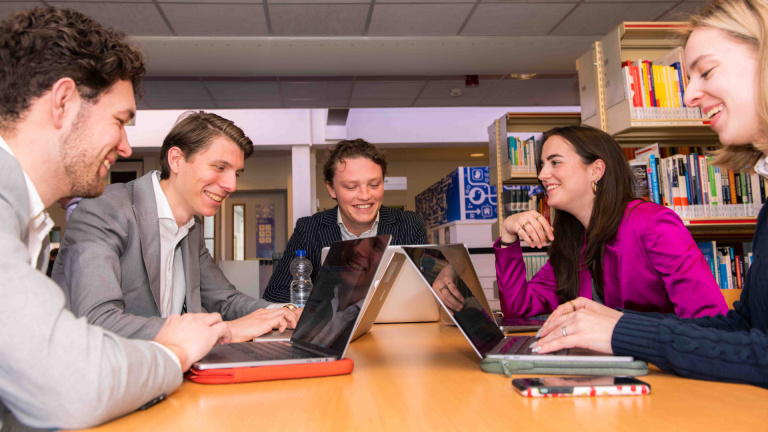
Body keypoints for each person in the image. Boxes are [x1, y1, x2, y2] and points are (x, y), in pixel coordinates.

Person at [0, 7, 230, 430]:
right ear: (62, 102)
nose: (126, 147)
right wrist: (174, 352)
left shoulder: (22, 215)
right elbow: (69, 385)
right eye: (120, 121)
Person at [533, 0, 768, 388]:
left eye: (706, 71)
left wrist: (621, 332)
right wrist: (616, 322)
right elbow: (744, 329)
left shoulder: (649, 224)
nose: (690, 95)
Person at [53, 111, 300, 343]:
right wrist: (222, 331)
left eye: (237, 173)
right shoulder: (105, 208)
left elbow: (224, 299)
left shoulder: (192, 227)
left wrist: (284, 312)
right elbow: (98, 322)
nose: (231, 185)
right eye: (220, 167)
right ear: (176, 160)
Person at [262, 139, 428, 303]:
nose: (365, 195)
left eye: (374, 184)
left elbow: (427, 291)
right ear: (331, 189)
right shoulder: (309, 229)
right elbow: (275, 293)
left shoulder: (410, 225)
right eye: (351, 186)